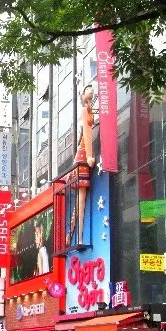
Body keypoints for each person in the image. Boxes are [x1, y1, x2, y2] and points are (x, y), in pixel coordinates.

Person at [69, 84, 96, 247]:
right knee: (81, 199)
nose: (91, 91)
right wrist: (90, 155)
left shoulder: (90, 110)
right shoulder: (85, 111)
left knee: (82, 199)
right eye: (88, 90)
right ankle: (78, 236)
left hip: (85, 153)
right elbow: (86, 132)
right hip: (84, 154)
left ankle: (77, 234)